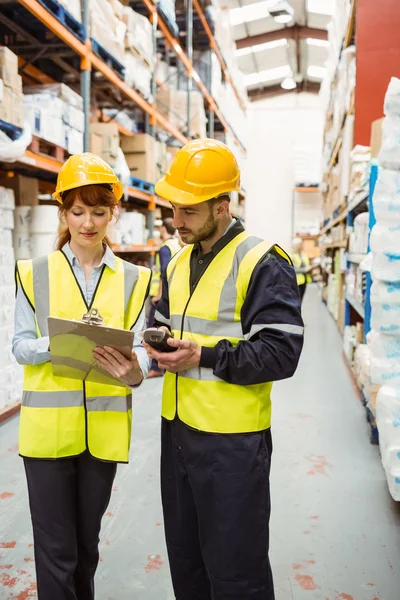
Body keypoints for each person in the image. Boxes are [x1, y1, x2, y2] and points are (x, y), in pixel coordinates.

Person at [143, 139, 304, 600]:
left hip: (231, 445)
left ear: (222, 205)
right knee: (187, 564)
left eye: (189, 211)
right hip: (177, 433)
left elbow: (280, 353)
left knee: (236, 573)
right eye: (174, 209)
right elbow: (162, 327)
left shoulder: (262, 260)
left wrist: (204, 356)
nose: (177, 222)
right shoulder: (174, 261)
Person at [12, 153, 151, 600]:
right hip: (48, 435)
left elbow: (143, 352)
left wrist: (136, 372)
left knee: (86, 549)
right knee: (57, 552)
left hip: (103, 435)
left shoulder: (135, 279)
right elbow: (18, 346)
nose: (87, 223)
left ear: (114, 213)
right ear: (63, 212)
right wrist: (56, 346)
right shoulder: (34, 273)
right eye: (76, 211)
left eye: (97, 211)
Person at [147, 218, 180, 378]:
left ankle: (156, 367)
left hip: (162, 295)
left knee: (153, 331)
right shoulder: (176, 244)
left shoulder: (165, 248)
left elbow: (164, 272)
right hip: (173, 293)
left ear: (163, 229)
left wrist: (158, 295)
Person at [291, 237, 312, 304]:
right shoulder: (292, 256)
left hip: (304, 281)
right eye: (301, 244)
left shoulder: (303, 255)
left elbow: (306, 265)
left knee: (300, 300)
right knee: (296, 301)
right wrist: (305, 270)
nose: (302, 246)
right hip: (297, 282)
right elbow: (293, 269)